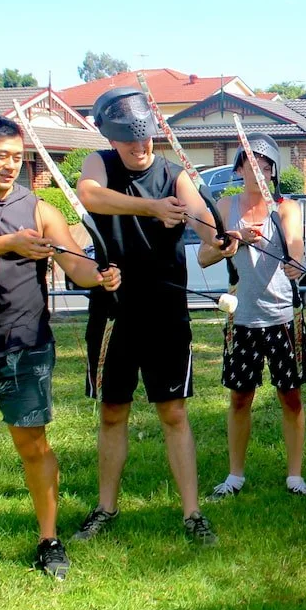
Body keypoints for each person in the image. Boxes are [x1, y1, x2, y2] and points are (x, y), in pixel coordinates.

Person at [0, 114, 121, 578]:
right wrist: (8, 242)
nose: (11, 165)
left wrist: (100, 276)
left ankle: (48, 540)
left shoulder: (40, 211)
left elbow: (76, 266)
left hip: (25, 348)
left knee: (33, 446)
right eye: (1, 156)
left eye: (17, 157)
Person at [72, 87, 225, 545]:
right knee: (112, 411)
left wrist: (217, 238)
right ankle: (105, 507)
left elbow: (197, 214)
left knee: (173, 412)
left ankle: (192, 513)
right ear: (112, 138)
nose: (140, 147)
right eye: (130, 140)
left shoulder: (174, 175)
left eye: (146, 138)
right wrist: (151, 207)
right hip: (113, 310)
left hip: (165, 312)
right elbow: (90, 196)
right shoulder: (100, 164)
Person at [199, 132, 306, 501]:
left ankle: (295, 476)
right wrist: (232, 240)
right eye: (251, 165)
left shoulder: (286, 207)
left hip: (282, 317)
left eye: (266, 167)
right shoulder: (225, 206)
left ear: (274, 172)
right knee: (239, 398)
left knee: (291, 397)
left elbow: (294, 244)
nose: (258, 173)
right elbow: (205, 256)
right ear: (238, 169)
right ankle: (235, 475)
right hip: (241, 318)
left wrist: (295, 261)